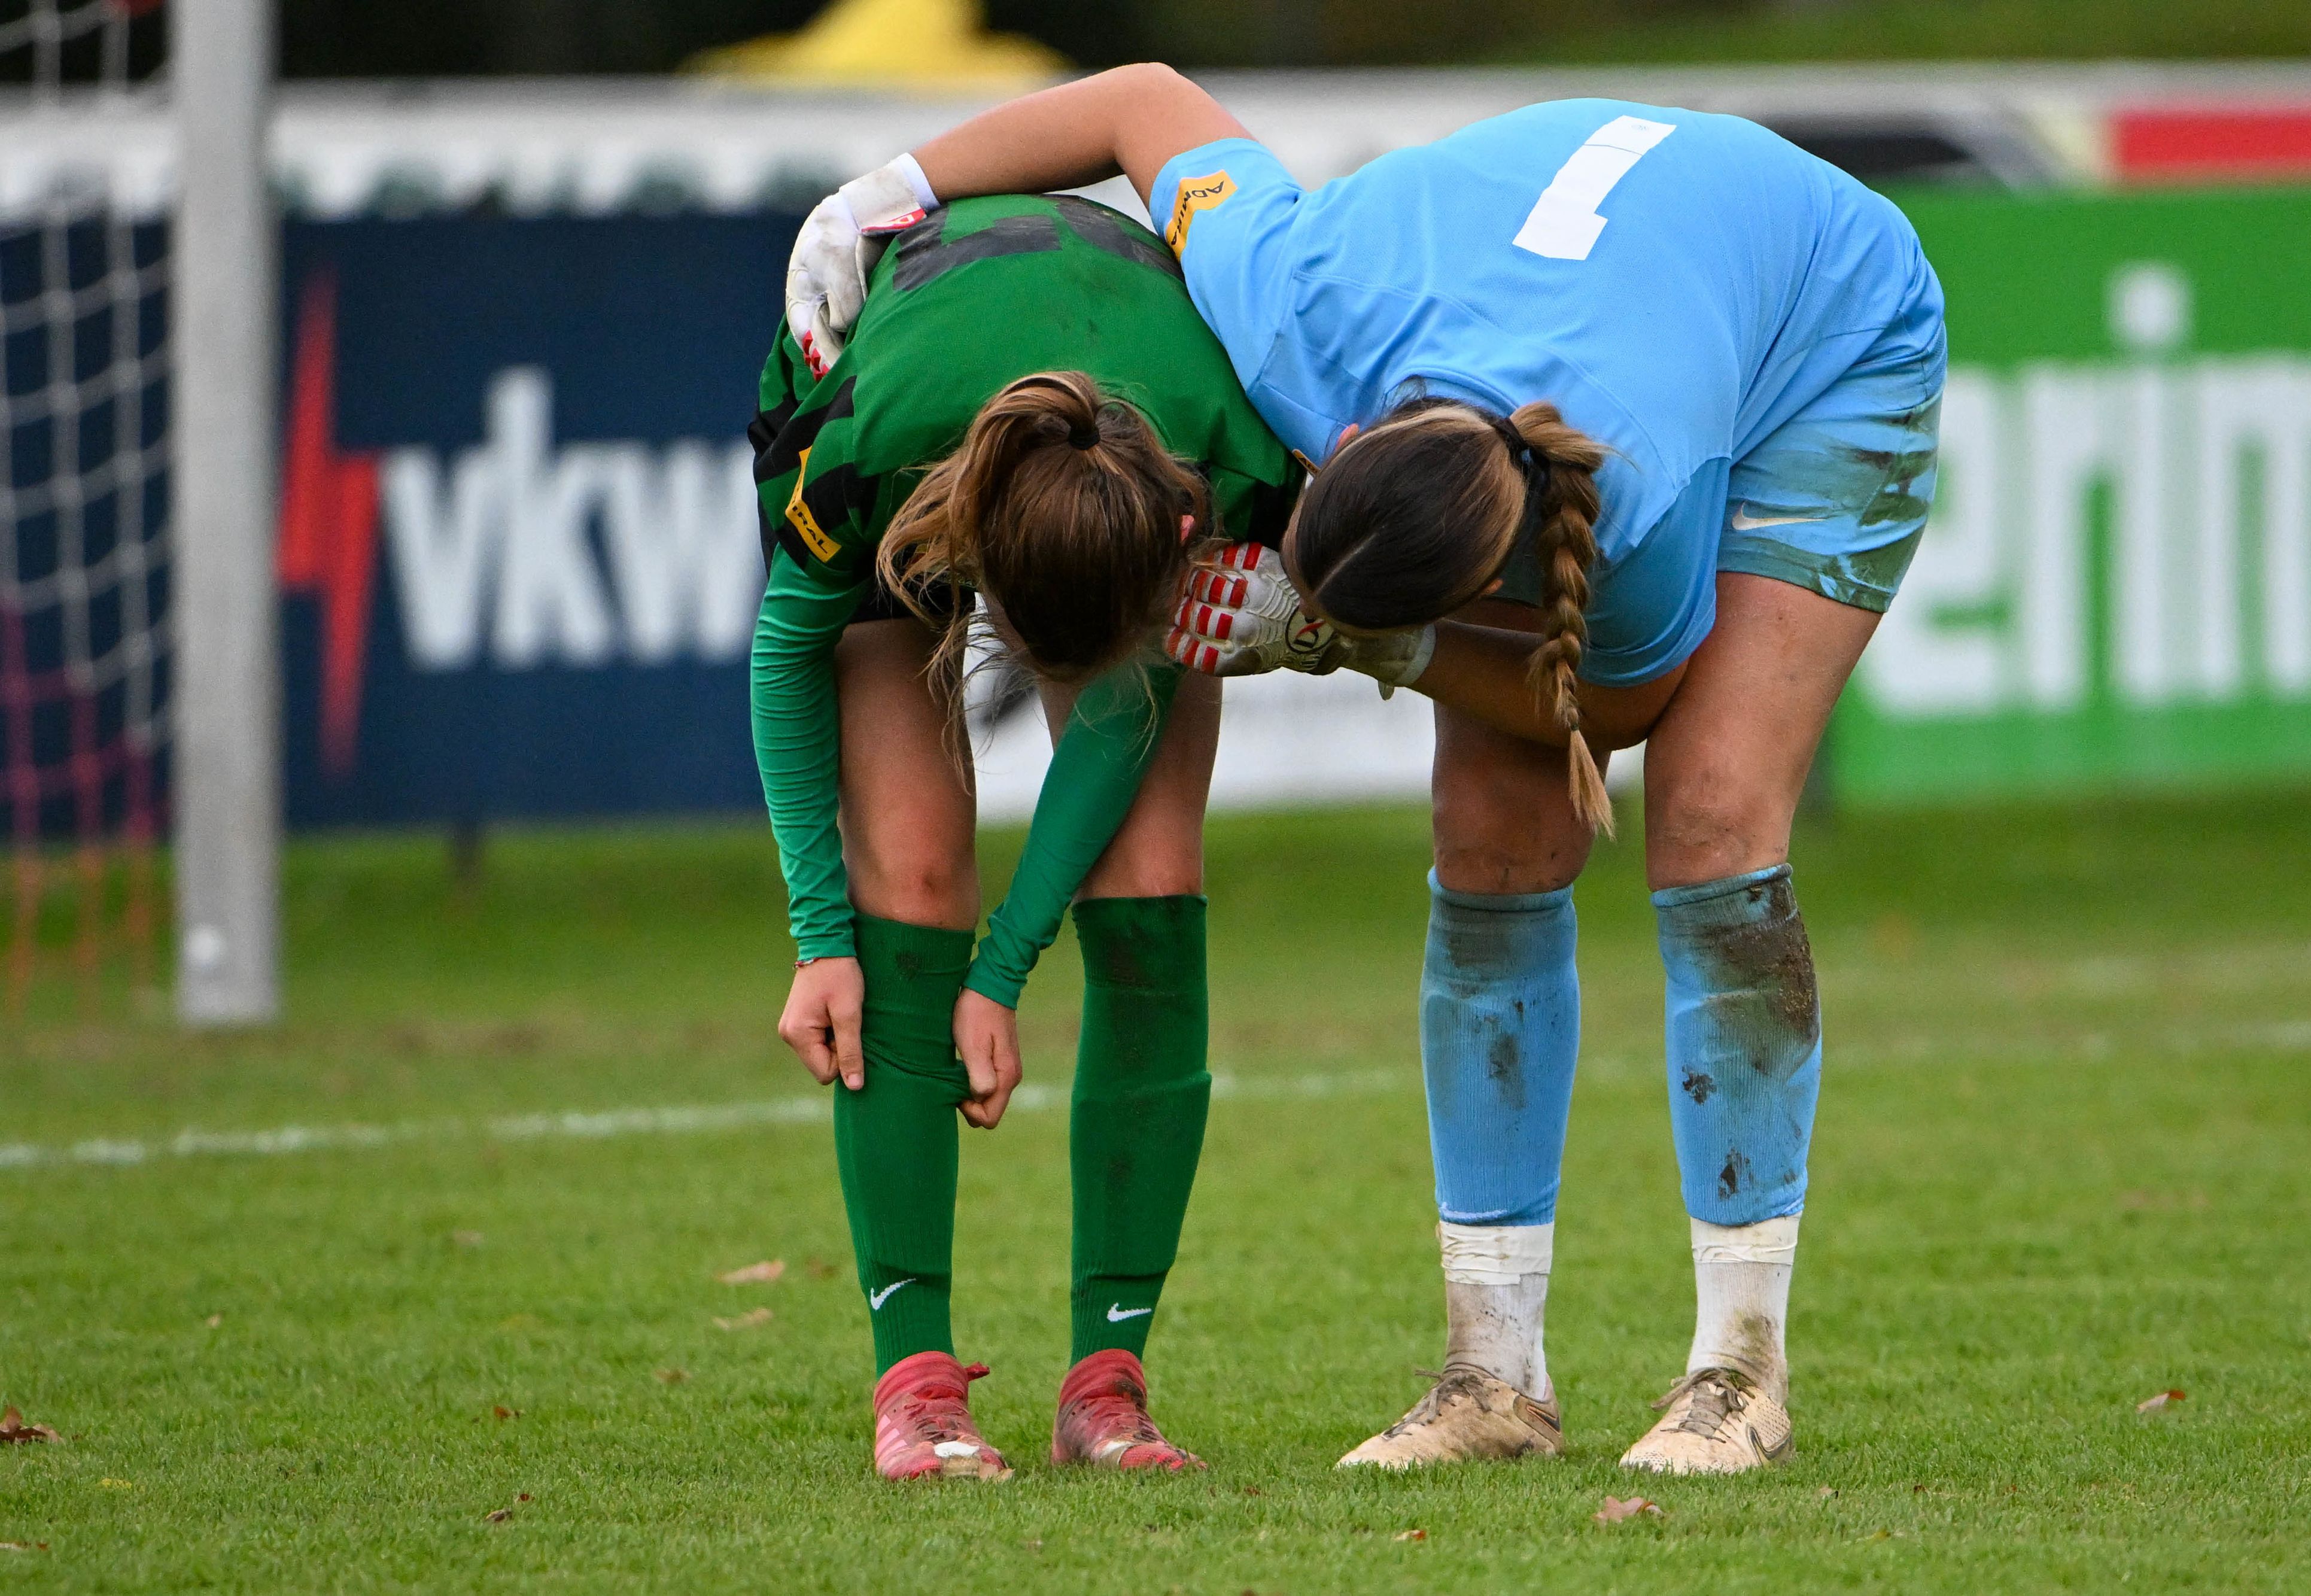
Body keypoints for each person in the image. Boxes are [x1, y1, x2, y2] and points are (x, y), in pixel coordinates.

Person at [787, 67, 1944, 1475]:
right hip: (1585, 258)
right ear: (1334, 442)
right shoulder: (1291, 307)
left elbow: (1620, 703)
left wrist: (1364, 647)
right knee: (1485, 825)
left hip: (1822, 319)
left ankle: (1736, 1369)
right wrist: (888, 189)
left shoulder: (1626, 498)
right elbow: (1141, 100)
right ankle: (1490, 1373)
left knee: (1707, 812)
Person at [755, 180, 1303, 1481]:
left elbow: (1118, 719)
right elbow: (788, 653)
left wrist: (1006, 969)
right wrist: (818, 935)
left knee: (1153, 874)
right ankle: (916, 1385)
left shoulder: (1227, 458)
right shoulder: (866, 438)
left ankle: (1105, 1380)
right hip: (916, 393)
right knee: (914, 870)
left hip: (1131, 402)